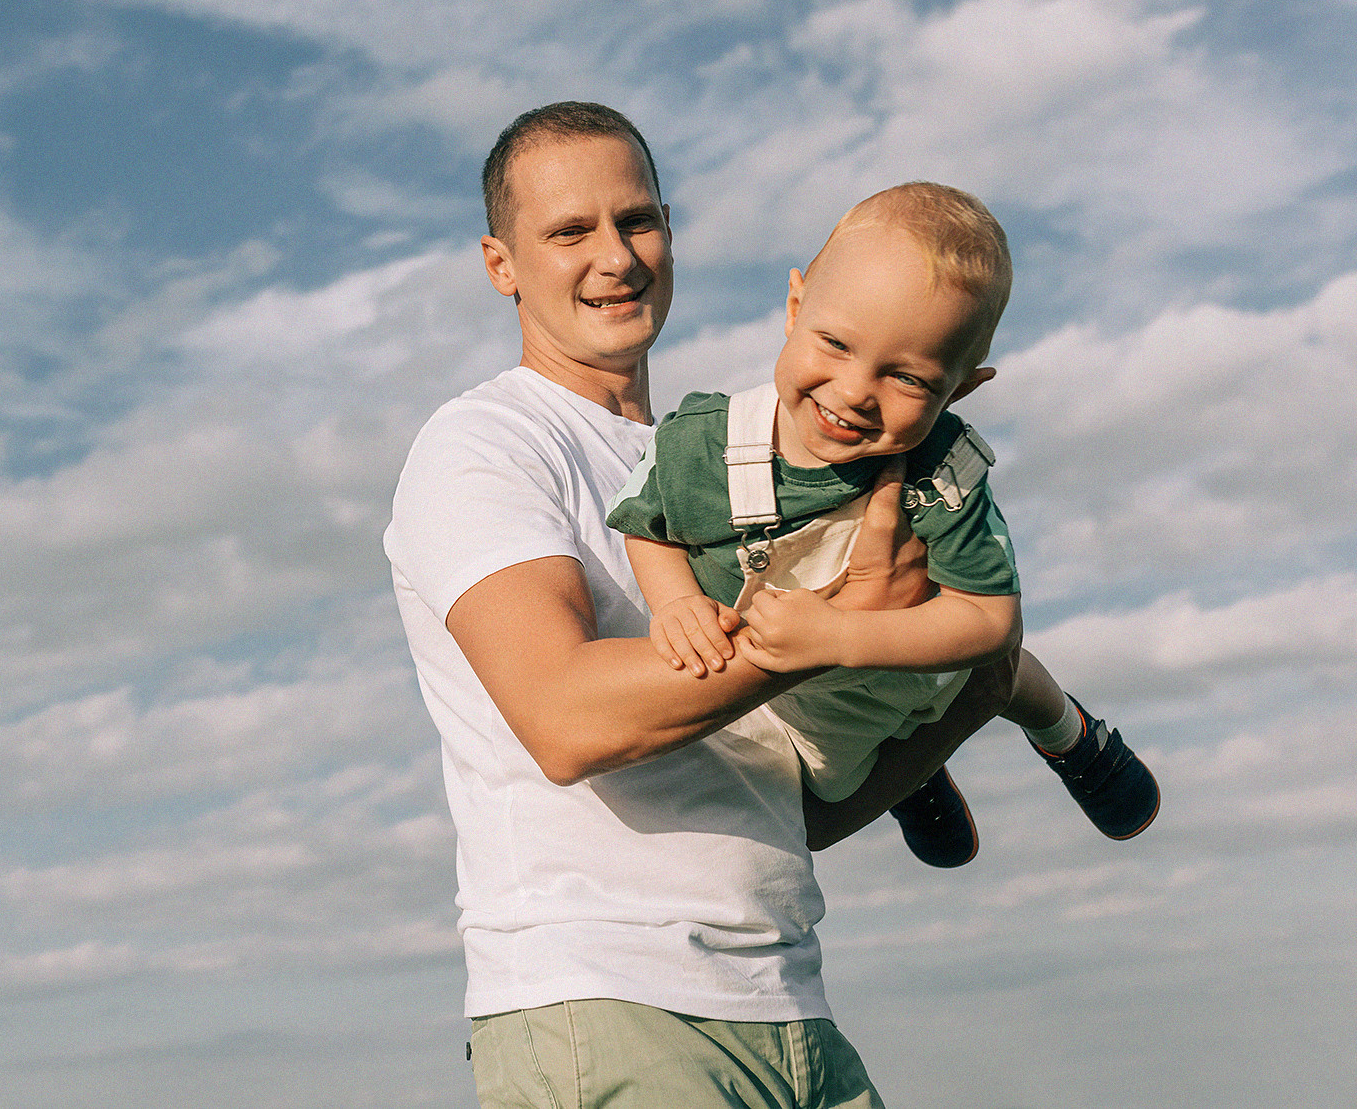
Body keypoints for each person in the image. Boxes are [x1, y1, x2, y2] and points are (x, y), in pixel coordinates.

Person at [384, 102, 1016, 1109]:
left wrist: (971, 693)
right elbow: (563, 716)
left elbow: (787, 802)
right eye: (567, 231)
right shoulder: (485, 445)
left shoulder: (722, 459)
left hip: (784, 995)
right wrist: (822, 633)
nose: (614, 257)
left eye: (635, 221)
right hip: (605, 1000)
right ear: (500, 264)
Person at [607, 183, 1159, 869]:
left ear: (960, 389)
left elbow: (989, 619)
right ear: (795, 306)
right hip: (811, 712)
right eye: (835, 343)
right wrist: (677, 601)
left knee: (1000, 668)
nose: (855, 390)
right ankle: (915, 775)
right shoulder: (705, 445)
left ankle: (1071, 735)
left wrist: (841, 633)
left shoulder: (937, 471)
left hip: (915, 659)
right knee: (833, 774)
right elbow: (648, 523)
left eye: (909, 379)